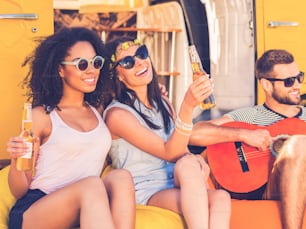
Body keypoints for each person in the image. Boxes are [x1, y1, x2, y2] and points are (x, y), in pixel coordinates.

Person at [6, 27, 135, 229]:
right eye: (81, 64)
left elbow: (131, 93)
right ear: (60, 69)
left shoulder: (98, 109)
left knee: (121, 177)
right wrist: (16, 159)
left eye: (96, 62)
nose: (92, 70)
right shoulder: (42, 116)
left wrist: (156, 94)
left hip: (87, 202)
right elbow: (19, 189)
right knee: (92, 185)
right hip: (37, 208)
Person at [102, 37, 231, 229]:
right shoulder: (117, 115)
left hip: (177, 179)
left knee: (221, 196)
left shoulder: (162, 103)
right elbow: (170, 153)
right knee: (193, 173)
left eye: (142, 54)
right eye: (128, 62)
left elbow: (181, 149)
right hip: (149, 188)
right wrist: (187, 107)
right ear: (118, 75)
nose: (139, 62)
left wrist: (196, 159)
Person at [189, 49, 306, 229]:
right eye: (289, 81)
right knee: (299, 143)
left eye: (299, 77)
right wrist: (243, 134)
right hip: (265, 185)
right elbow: (193, 134)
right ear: (267, 85)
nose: (297, 86)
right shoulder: (249, 116)